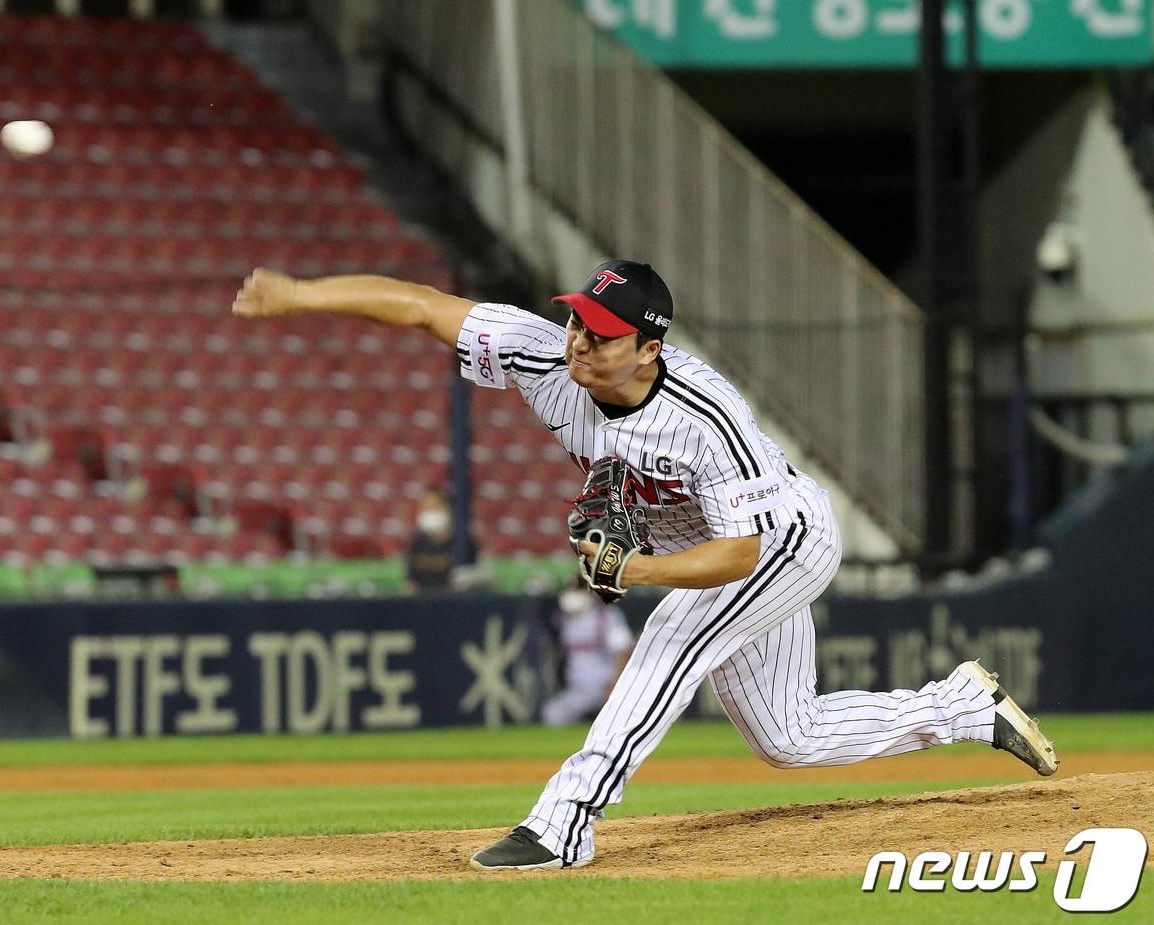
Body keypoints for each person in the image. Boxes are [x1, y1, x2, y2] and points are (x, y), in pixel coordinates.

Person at [231, 260, 1058, 872]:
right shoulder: (547, 356)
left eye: (602, 331)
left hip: (783, 543)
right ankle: (961, 708)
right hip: (709, 551)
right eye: (577, 321)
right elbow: (419, 307)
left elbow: (739, 553)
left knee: (669, 645)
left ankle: (564, 823)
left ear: (649, 348)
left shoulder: (705, 416)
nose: (579, 341)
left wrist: (639, 572)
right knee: (789, 736)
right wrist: (301, 295)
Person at [541, 583, 634, 727]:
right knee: (553, 714)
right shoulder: (563, 619)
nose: (572, 595)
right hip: (579, 689)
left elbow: (624, 651)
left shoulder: (605, 616)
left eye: (577, 591)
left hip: (606, 687)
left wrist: (615, 684)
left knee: (622, 722)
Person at [405, 488, 458, 591]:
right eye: (426, 508)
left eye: (434, 507)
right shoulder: (416, 543)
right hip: (423, 602)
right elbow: (410, 583)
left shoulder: (461, 543)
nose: (430, 513)